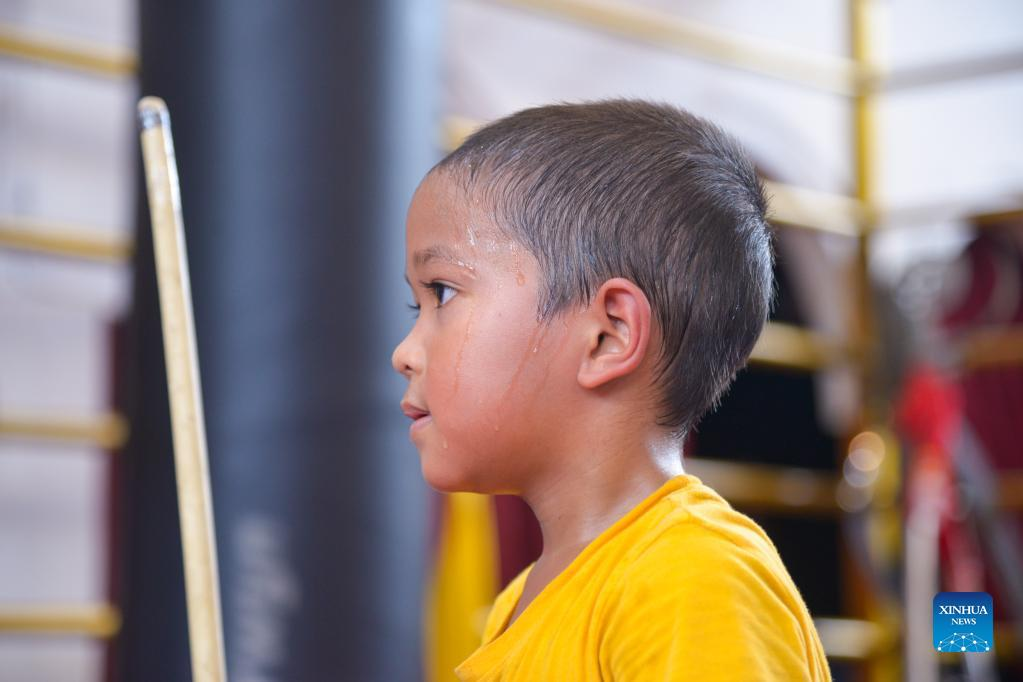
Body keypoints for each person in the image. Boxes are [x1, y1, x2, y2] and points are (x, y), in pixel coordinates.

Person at [391, 98, 831, 681]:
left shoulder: (688, 576)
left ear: (608, 335)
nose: (403, 353)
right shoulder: (518, 603)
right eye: (414, 305)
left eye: (442, 295)